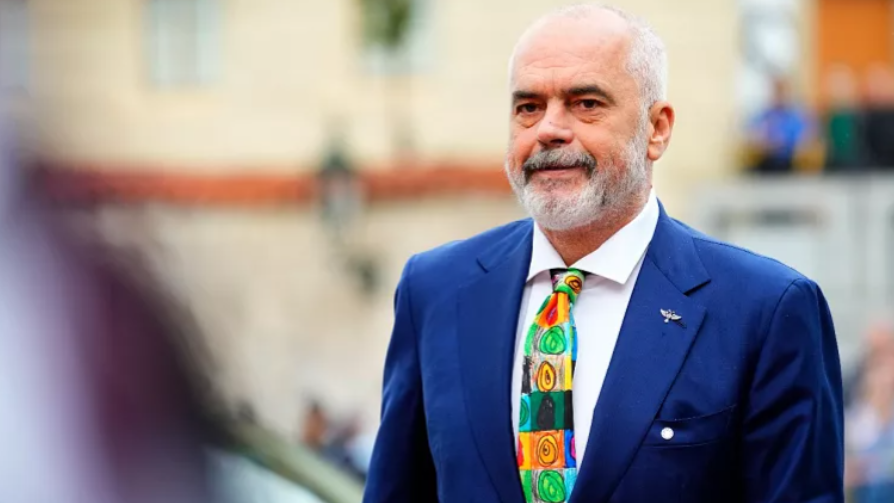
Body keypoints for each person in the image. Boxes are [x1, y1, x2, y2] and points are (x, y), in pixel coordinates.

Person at [363, 4, 843, 503]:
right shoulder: (435, 291)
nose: (548, 129)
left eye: (586, 103)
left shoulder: (764, 311)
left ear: (657, 128)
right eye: (528, 107)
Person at [746, 77, 815, 174]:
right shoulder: (765, 115)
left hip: (788, 162)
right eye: (776, 92)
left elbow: (803, 139)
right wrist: (760, 140)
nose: (779, 96)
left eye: (782, 92)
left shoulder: (795, 116)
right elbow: (752, 132)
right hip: (765, 159)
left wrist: (782, 144)